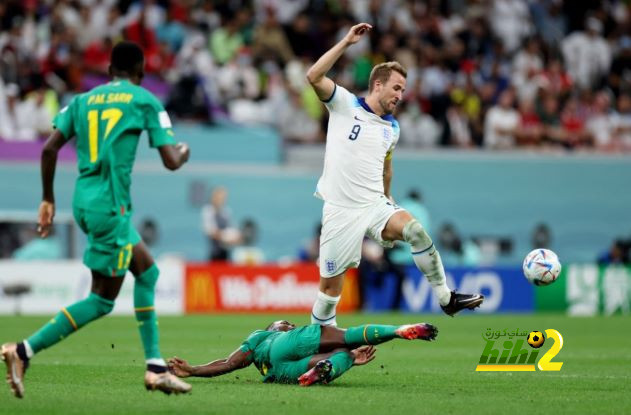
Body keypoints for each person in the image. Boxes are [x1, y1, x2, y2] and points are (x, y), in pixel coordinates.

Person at [1, 41, 192, 399]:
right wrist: (184, 152)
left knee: (147, 272)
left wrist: (47, 198)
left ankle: (155, 367)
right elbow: (169, 160)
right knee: (102, 300)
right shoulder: (144, 99)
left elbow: (48, 148)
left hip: (84, 202)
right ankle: (23, 351)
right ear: (141, 74)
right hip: (111, 207)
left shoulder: (81, 101)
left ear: (108, 72)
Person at [305, 23, 484, 326]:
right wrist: (347, 42)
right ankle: (320, 342)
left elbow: (386, 166)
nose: (401, 96)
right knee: (329, 294)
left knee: (414, 231)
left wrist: (388, 198)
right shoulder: (344, 104)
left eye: (403, 90)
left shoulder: (393, 128)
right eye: (397, 88)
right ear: (378, 85)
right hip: (340, 210)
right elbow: (313, 76)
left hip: (375, 204)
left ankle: (445, 298)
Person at [167, 320, 438, 386]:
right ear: (275, 327)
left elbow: (230, 363)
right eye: (286, 323)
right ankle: (397, 330)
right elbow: (229, 362)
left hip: (281, 371)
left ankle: (331, 368)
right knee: (344, 337)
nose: (290, 324)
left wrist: (192, 371)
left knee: (344, 352)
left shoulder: (258, 342)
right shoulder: (268, 334)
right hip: (286, 346)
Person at [201, 186, 241, 261]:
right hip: (214, 253)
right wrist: (224, 237)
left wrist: (237, 238)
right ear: (213, 197)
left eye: (223, 198)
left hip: (226, 252)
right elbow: (210, 231)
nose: (221, 200)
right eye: (219, 197)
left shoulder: (226, 211)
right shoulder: (208, 211)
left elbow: (232, 228)